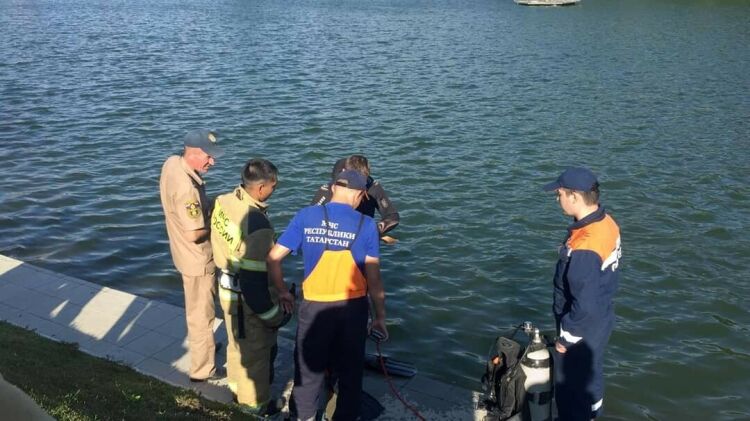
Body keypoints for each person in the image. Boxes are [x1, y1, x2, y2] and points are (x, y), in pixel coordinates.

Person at [268, 169, 388, 421]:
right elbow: (375, 280)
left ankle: (303, 417)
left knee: (307, 372)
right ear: (360, 195)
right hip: (352, 310)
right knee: (350, 372)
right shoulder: (366, 225)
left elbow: (274, 258)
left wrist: (283, 292)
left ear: (333, 188)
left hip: (314, 309)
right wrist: (380, 318)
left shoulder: (306, 215)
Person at [210, 158, 289, 416]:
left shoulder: (224, 201)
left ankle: (235, 390)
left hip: (226, 290)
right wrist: (273, 316)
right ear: (261, 188)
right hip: (246, 301)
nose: (275, 190)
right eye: (274, 186)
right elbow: (254, 283)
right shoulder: (258, 226)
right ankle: (255, 407)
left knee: (236, 344)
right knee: (256, 355)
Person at [543, 167, 622, 421]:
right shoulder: (606, 222)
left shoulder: (584, 247)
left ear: (574, 196)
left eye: (559, 194)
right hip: (602, 317)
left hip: (581, 328)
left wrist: (565, 339)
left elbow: (583, 305)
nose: (558, 199)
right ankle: (592, 414)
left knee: (571, 389)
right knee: (592, 374)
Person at [159, 129, 223, 382]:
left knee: (199, 312)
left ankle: (205, 347)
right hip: (197, 260)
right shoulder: (188, 189)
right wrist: (215, 222)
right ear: (194, 153)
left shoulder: (172, 164)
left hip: (182, 254)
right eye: (208, 156)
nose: (212, 162)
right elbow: (194, 233)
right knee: (201, 316)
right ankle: (202, 369)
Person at [311, 155, 400, 244]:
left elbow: (392, 216)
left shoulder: (372, 188)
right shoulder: (330, 188)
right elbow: (311, 218)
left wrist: (374, 230)